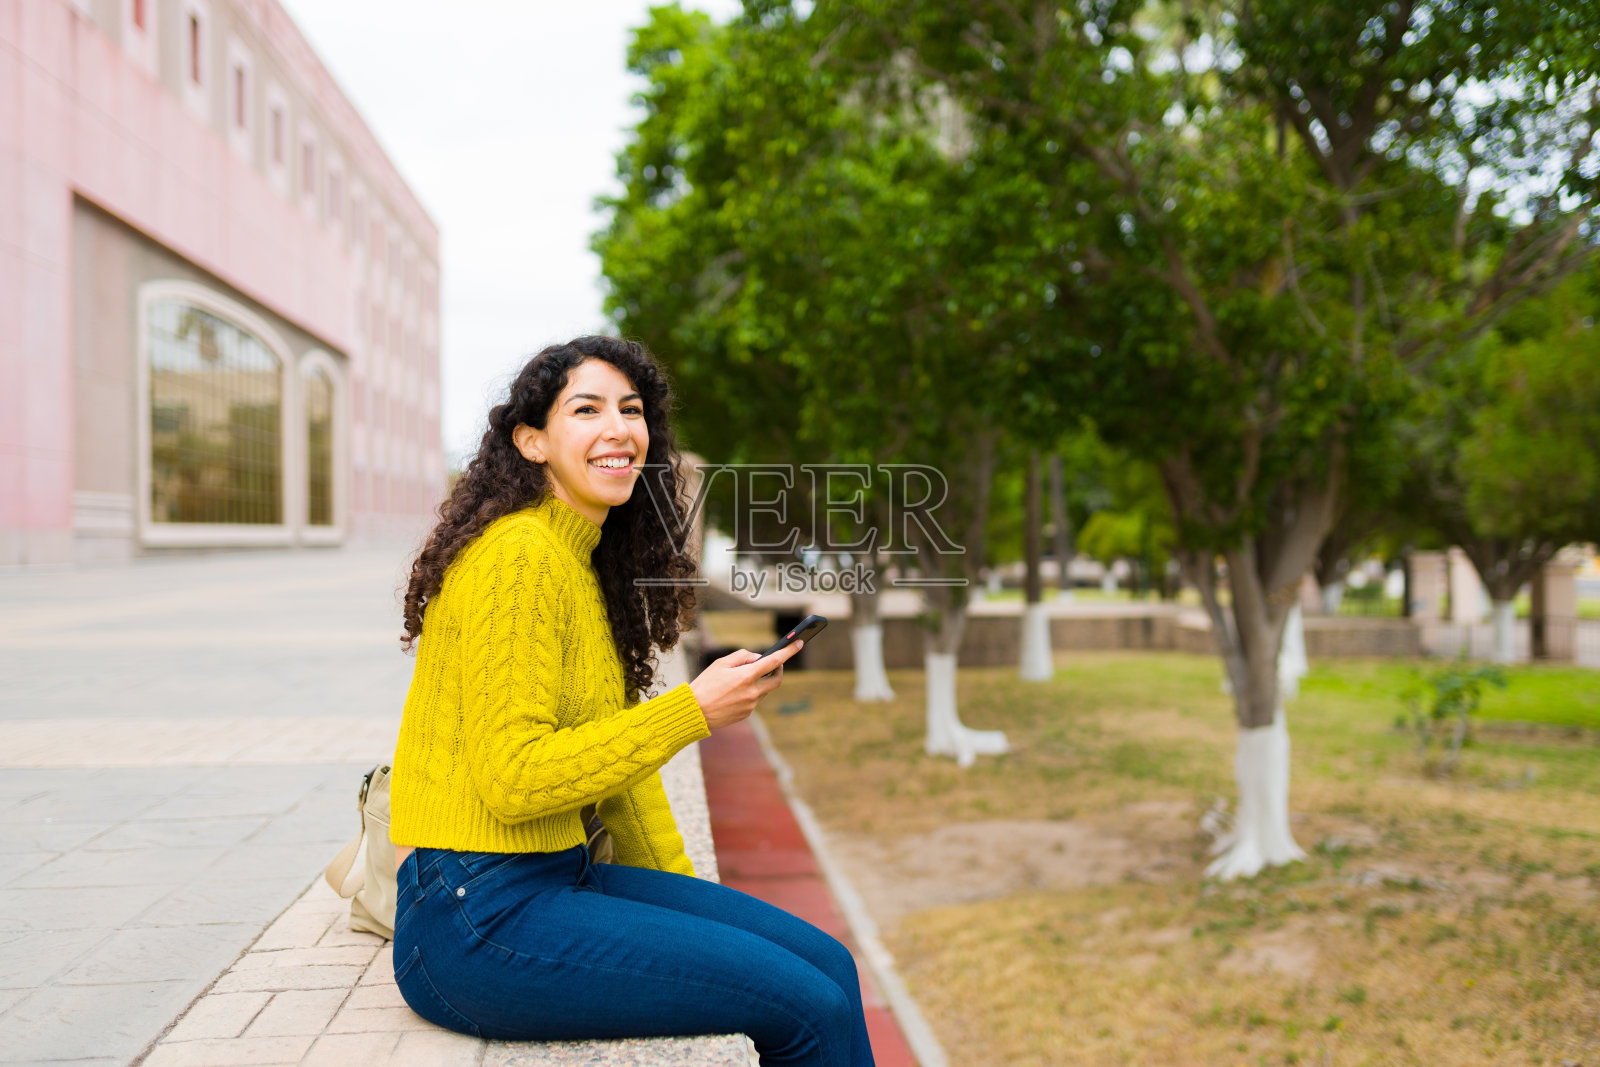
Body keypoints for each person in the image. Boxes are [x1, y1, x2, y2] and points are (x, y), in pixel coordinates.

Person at [388, 336, 874, 1066]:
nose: (619, 429)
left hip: (554, 876)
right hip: (473, 914)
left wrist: (690, 914)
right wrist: (692, 711)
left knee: (828, 963)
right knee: (811, 1005)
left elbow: (623, 777)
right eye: (586, 409)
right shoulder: (518, 557)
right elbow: (513, 777)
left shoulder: (582, 562)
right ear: (532, 441)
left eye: (632, 409)